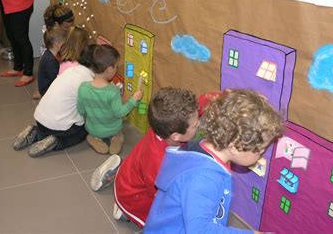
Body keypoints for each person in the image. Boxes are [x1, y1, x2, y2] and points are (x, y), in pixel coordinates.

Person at [144, 89, 283, 233]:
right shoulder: (204, 178)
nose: (261, 154)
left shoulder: (202, 146)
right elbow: (200, 230)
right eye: (260, 149)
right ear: (234, 147)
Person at [91, 87, 201, 228]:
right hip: (133, 198)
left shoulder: (162, 126)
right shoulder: (159, 163)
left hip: (131, 176)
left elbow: (189, 116)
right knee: (170, 225)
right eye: (195, 126)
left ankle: (118, 174)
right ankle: (124, 211)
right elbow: (162, 200)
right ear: (176, 136)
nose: (198, 125)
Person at [12, 44, 97, 157]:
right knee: (83, 131)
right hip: (59, 128)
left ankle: (37, 133)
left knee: (59, 118)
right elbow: (91, 110)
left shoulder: (71, 70)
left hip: (40, 120)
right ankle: (57, 142)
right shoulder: (89, 81)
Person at [77, 44, 143, 155]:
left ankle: (93, 137)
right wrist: (134, 99)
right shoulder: (112, 91)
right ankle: (117, 138)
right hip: (113, 129)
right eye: (116, 67)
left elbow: (81, 111)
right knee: (118, 131)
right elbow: (119, 113)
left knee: (93, 130)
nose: (116, 69)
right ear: (109, 69)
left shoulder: (83, 87)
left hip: (92, 128)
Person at [33, 26, 67, 99]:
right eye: (64, 43)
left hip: (45, 87)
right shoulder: (50, 60)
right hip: (47, 90)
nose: (65, 45)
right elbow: (55, 79)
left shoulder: (49, 54)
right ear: (57, 45)